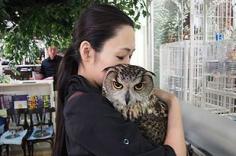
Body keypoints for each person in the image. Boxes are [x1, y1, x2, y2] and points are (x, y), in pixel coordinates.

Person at [53, 4, 186, 156]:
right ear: (87, 52)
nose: (127, 64)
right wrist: (173, 102)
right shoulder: (88, 109)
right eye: (121, 56)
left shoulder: (88, 93)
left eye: (130, 56)